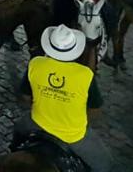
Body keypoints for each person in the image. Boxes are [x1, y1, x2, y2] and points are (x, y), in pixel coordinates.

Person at [15, 24, 112, 172]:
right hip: (73, 135)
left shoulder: (36, 64)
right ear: (74, 50)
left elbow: (24, 98)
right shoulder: (85, 75)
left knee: (18, 129)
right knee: (105, 163)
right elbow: (95, 111)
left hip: (36, 123)